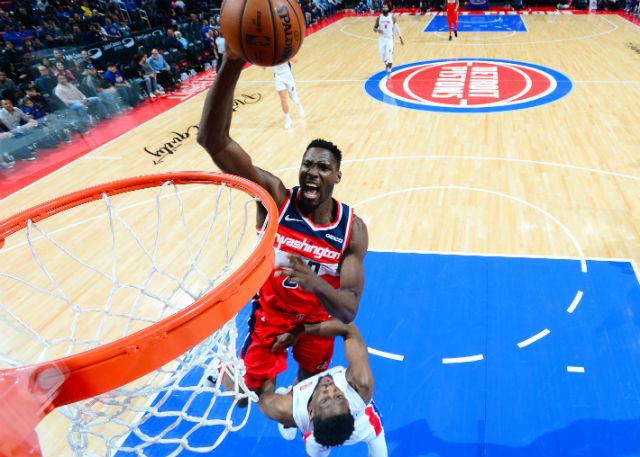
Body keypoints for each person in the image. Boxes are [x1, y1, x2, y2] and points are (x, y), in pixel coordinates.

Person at [197, 50, 369, 401]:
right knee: (248, 397)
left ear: (337, 176)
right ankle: (227, 372)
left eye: (323, 168)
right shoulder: (276, 199)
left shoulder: (352, 230)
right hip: (271, 315)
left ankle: (297, 408)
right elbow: (213, 141)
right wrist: (232, 62)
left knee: (309, 389)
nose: (313, 173)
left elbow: (348, 310)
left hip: (316, 320)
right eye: (308, 165)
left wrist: (312, 280)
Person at [259, 320, 387, 455]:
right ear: (348, 406)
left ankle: (289, 416)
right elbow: (349, 328)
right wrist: (300, 330)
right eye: (339, 396)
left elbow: (262, 396)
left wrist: (273, 349)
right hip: (364, 426)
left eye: (324, 400)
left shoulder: (283, 409)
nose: (330, 387)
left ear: (311, 413)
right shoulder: (360, 386)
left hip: (357, 430)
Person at [373, 4, 404, 80]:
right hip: (382, 39)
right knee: (383, 56)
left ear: (388, 8)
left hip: (390, 39)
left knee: (389, 56)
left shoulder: (392, 17)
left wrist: (400, 37)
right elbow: (374, 28)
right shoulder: (379, 18)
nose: (384, 8)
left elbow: (396, 27)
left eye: (386, 7)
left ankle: (389, 72)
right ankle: (386, 64)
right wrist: (378, 30)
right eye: (383, 7)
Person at [272, 60, 305, 130]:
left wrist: (287, 57)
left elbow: (296, 60)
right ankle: (288, 120)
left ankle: (298, 104)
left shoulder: (286, 52)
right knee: (283, 98)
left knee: (294, 98)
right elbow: (265, 64)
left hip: (288, 76)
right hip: (278, 77)